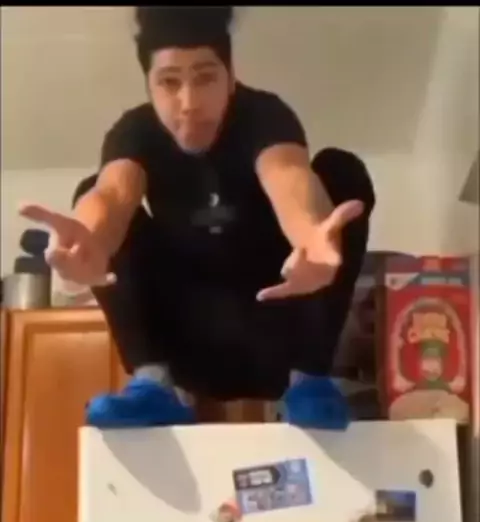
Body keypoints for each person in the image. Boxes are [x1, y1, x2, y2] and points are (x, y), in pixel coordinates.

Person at [19, 6, 376, 430]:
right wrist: (90, 242)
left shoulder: (264, 115)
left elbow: (286, 174)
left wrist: (311, 235)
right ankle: (154, 385)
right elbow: (113, 194)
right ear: (149, 85)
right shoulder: (135, 131)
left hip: (277, 330)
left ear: (230, 75)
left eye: (205, 78)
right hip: (189, 347)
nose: (188, 104)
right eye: (169, 82)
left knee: (341, 171)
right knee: (90, 188)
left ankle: (310, 381)